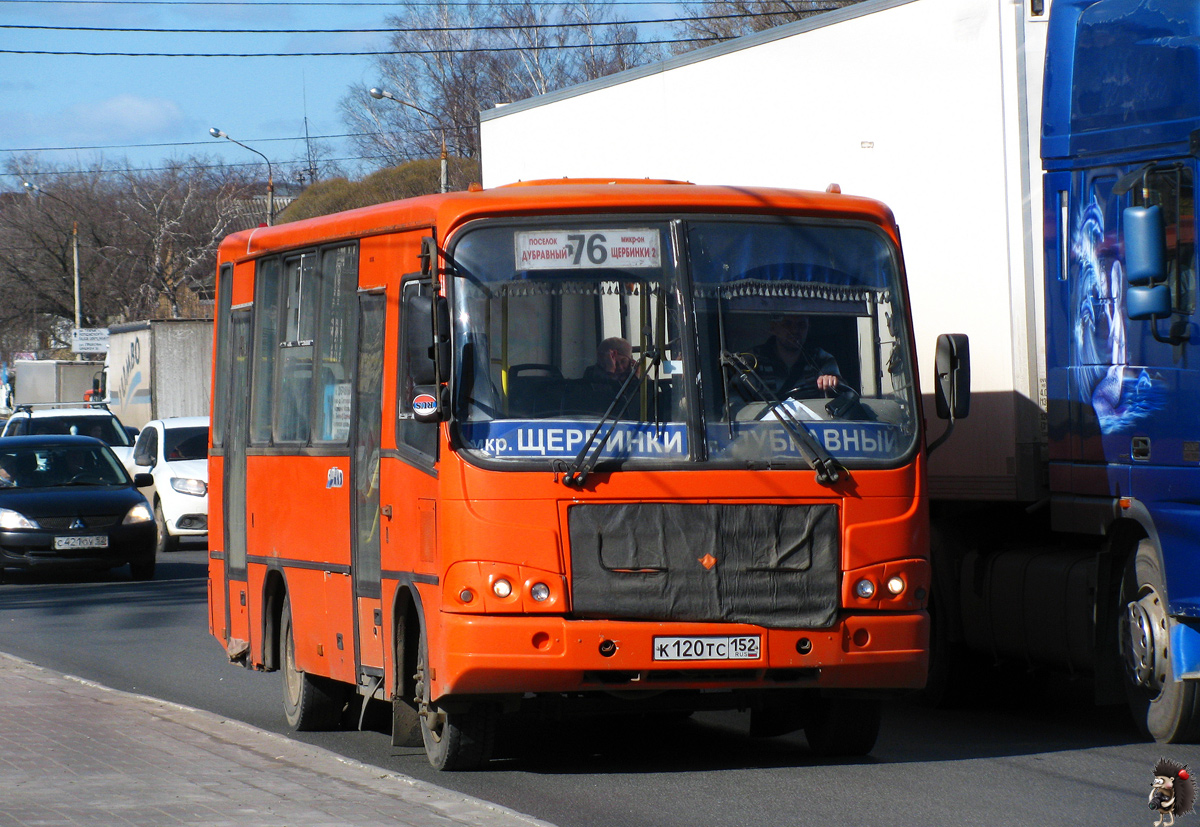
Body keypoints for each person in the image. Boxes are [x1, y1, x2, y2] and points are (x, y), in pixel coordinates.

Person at [751, 314, 841, 397]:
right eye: (787, 324)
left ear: (808, 328)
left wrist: (831, 381)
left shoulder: (821, 359)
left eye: (801, 325)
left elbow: (842, 393)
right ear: (774, 327)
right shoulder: (753, 360)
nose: (794, 330)